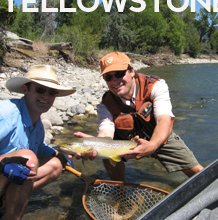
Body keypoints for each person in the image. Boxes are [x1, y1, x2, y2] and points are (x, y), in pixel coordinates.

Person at [74, 52, 203, 182]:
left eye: (119, 74)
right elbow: (106, 131)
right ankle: (120, 190)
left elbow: (164, 120)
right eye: (108, 77)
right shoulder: (105, 104)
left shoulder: (155, 85)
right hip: (124, 141)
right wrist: (95, 145)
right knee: (107, 156)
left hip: (158, 135)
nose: (115, 81)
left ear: (131, 71)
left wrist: (152, 145)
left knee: (197, 172)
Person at [0, 65, 75, 220]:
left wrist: (57, 155)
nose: (46, 96)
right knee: (27, 159)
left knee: (55, 165)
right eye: (40, 90)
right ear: (25, 89)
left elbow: (37, 146)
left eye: (52, 92)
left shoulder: (36, 123)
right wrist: (1, 165)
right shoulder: (1, 114)